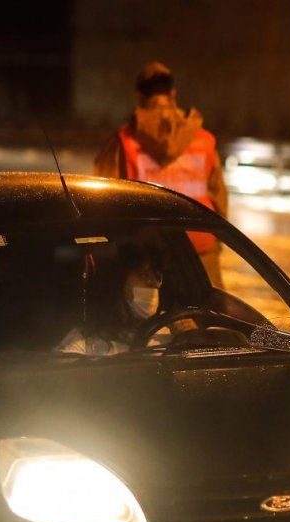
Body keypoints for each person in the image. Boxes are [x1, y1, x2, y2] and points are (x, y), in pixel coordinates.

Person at [94, 62, 228, 286]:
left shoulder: (123, 143)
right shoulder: (203, 140)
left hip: (144, 257)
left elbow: (102, 202)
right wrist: (217, 244)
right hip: (201, 254)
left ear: (139, 95)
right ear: (172, 93)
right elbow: (219, 199)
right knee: (207, 308)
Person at [58, 245, 166, 356]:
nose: (154, 283)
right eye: (142, 275)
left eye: (156, 275)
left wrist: (177, 330)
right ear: (118, 283)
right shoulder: (86, 340)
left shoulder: (166, 329)